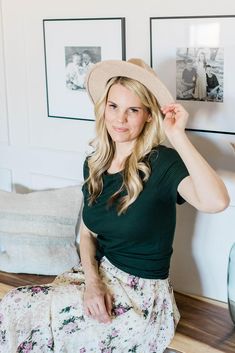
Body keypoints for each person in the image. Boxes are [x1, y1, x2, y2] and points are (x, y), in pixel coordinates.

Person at [0, 58, 230, 353]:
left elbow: (217, 201)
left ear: (148, 115)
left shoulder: (163, 162)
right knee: (15, 305)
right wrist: (93, 283)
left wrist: (177, 136)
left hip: (142, 297)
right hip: (97, 276)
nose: (120, 119)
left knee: (23, 313)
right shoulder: (94, 163)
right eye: (113, 106)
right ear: (103, 108)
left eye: (132, 109)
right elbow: (87, 234)